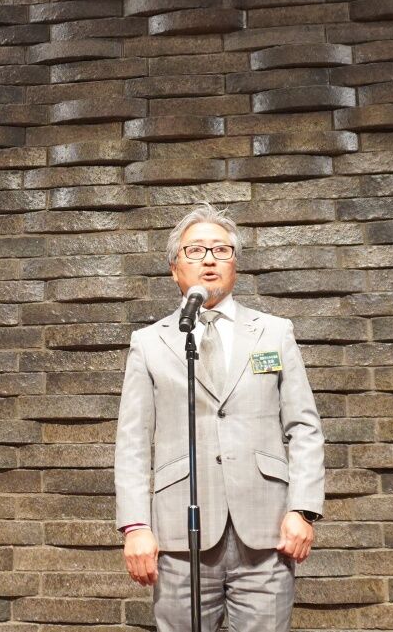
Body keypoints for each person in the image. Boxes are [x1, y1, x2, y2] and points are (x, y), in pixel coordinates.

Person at [114, 203, 325, 632]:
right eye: (195, 250)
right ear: (174, 269)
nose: (209, 259)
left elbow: (304, 427)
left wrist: (303, 510)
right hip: (178, 535)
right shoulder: (149, 343)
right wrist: (135, 525)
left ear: (235, 265)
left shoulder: (274, 332)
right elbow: (133, 441)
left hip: (267, 533)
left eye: (221, 250)